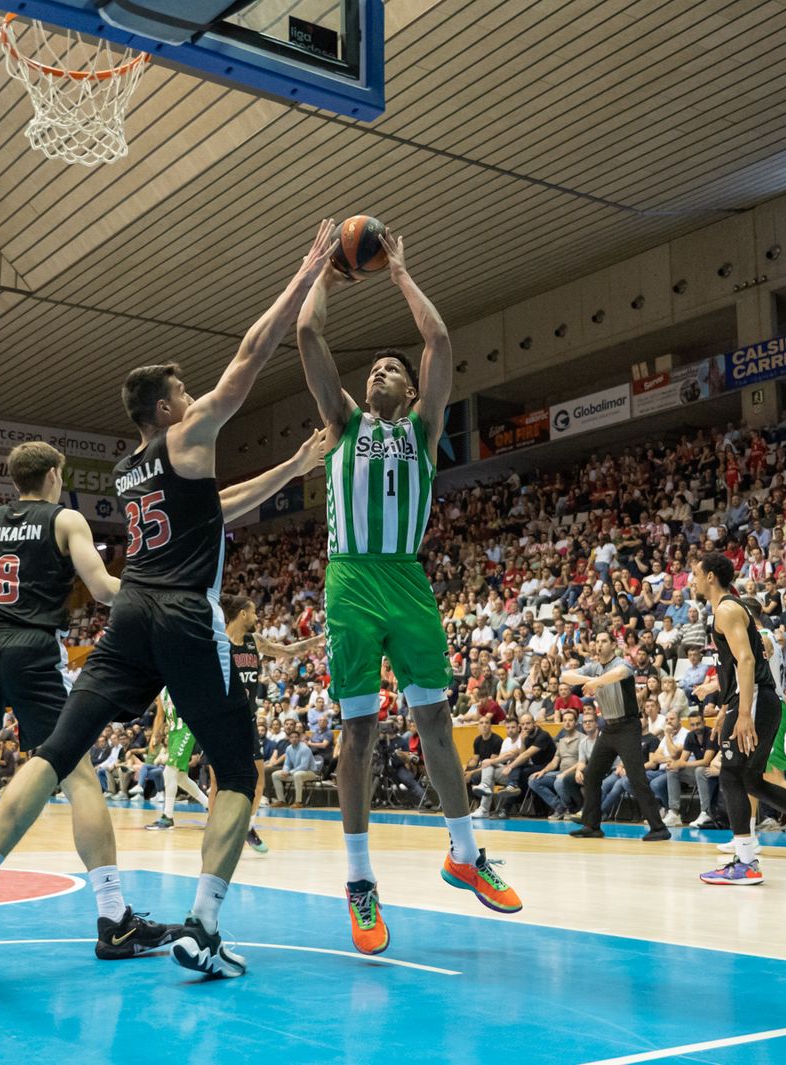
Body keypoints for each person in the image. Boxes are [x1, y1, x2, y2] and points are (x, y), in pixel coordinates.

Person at [0, 221, 338, 984]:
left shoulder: (130, 469)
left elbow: (219, 506)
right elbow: (250, 356)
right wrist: (307, 270)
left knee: (52, 754)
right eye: (184, 391)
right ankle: (204, 925)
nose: (193, 394)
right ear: (170, 407)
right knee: (239, 772)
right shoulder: (188, 434)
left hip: (128, 614)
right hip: (180, 612)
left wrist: (296, 462)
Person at [297, 227, 520, 958]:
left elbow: (442, 340)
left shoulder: (425, 429)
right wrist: (326, 273)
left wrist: (398, 272)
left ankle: (464, 852)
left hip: (408, 576)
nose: (378, 374)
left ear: (413, 389)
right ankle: (359, 882)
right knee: (358, 729)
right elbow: (305, 331)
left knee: (434, 717)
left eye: (392, 367)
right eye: (373, 370)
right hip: (353, 578)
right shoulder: (343, 423)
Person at [0, 438, 177, 963]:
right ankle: (114, 918)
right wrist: (157, 591)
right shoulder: (65, 520)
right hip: (31, 647)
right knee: (79, 775)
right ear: (51, 476)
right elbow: (104, 589)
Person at [692, 554, 786, 886]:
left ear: (708, 576)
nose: (691, 581)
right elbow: (738, 663)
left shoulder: (727, 609)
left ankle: (746, 862)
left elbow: (747, 660)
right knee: (751, 780)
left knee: (732, 776)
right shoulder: (730, 610)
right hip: (758, 701)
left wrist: (743, 713)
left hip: (757, 701)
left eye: (694, 575)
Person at [212, 593, 326, 851]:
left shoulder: (255, 642)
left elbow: (286, 650)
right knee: (219, 781)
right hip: (222, 722)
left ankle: (246, 827)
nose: (256, 617)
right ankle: (217, 829)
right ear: (242, 614)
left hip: (248, 720)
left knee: (259, 778)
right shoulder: (219, 643)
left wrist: (318, 640)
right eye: (253, 612)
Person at [561, 631, 671, 842]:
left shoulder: (623, 663)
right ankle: (592, 825)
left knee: (637, 777)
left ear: (613, 645)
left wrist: (596, 683)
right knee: (592, 774)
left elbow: (619, 674)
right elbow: (565, 677)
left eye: (604, 641)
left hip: (628, 727)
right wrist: (592, 680)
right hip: (608, 728)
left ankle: (659, 828)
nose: (599, 645)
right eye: (597, 641)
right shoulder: (593, 667)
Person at [144, 691, 209, 829]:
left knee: (169, 773)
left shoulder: (182, 679)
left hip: (186, 728)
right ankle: (210, 806)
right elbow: (160, 715)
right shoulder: (161, 690)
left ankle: (168, 817)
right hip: (173, 732)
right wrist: (155, 736)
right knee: (180, 778)